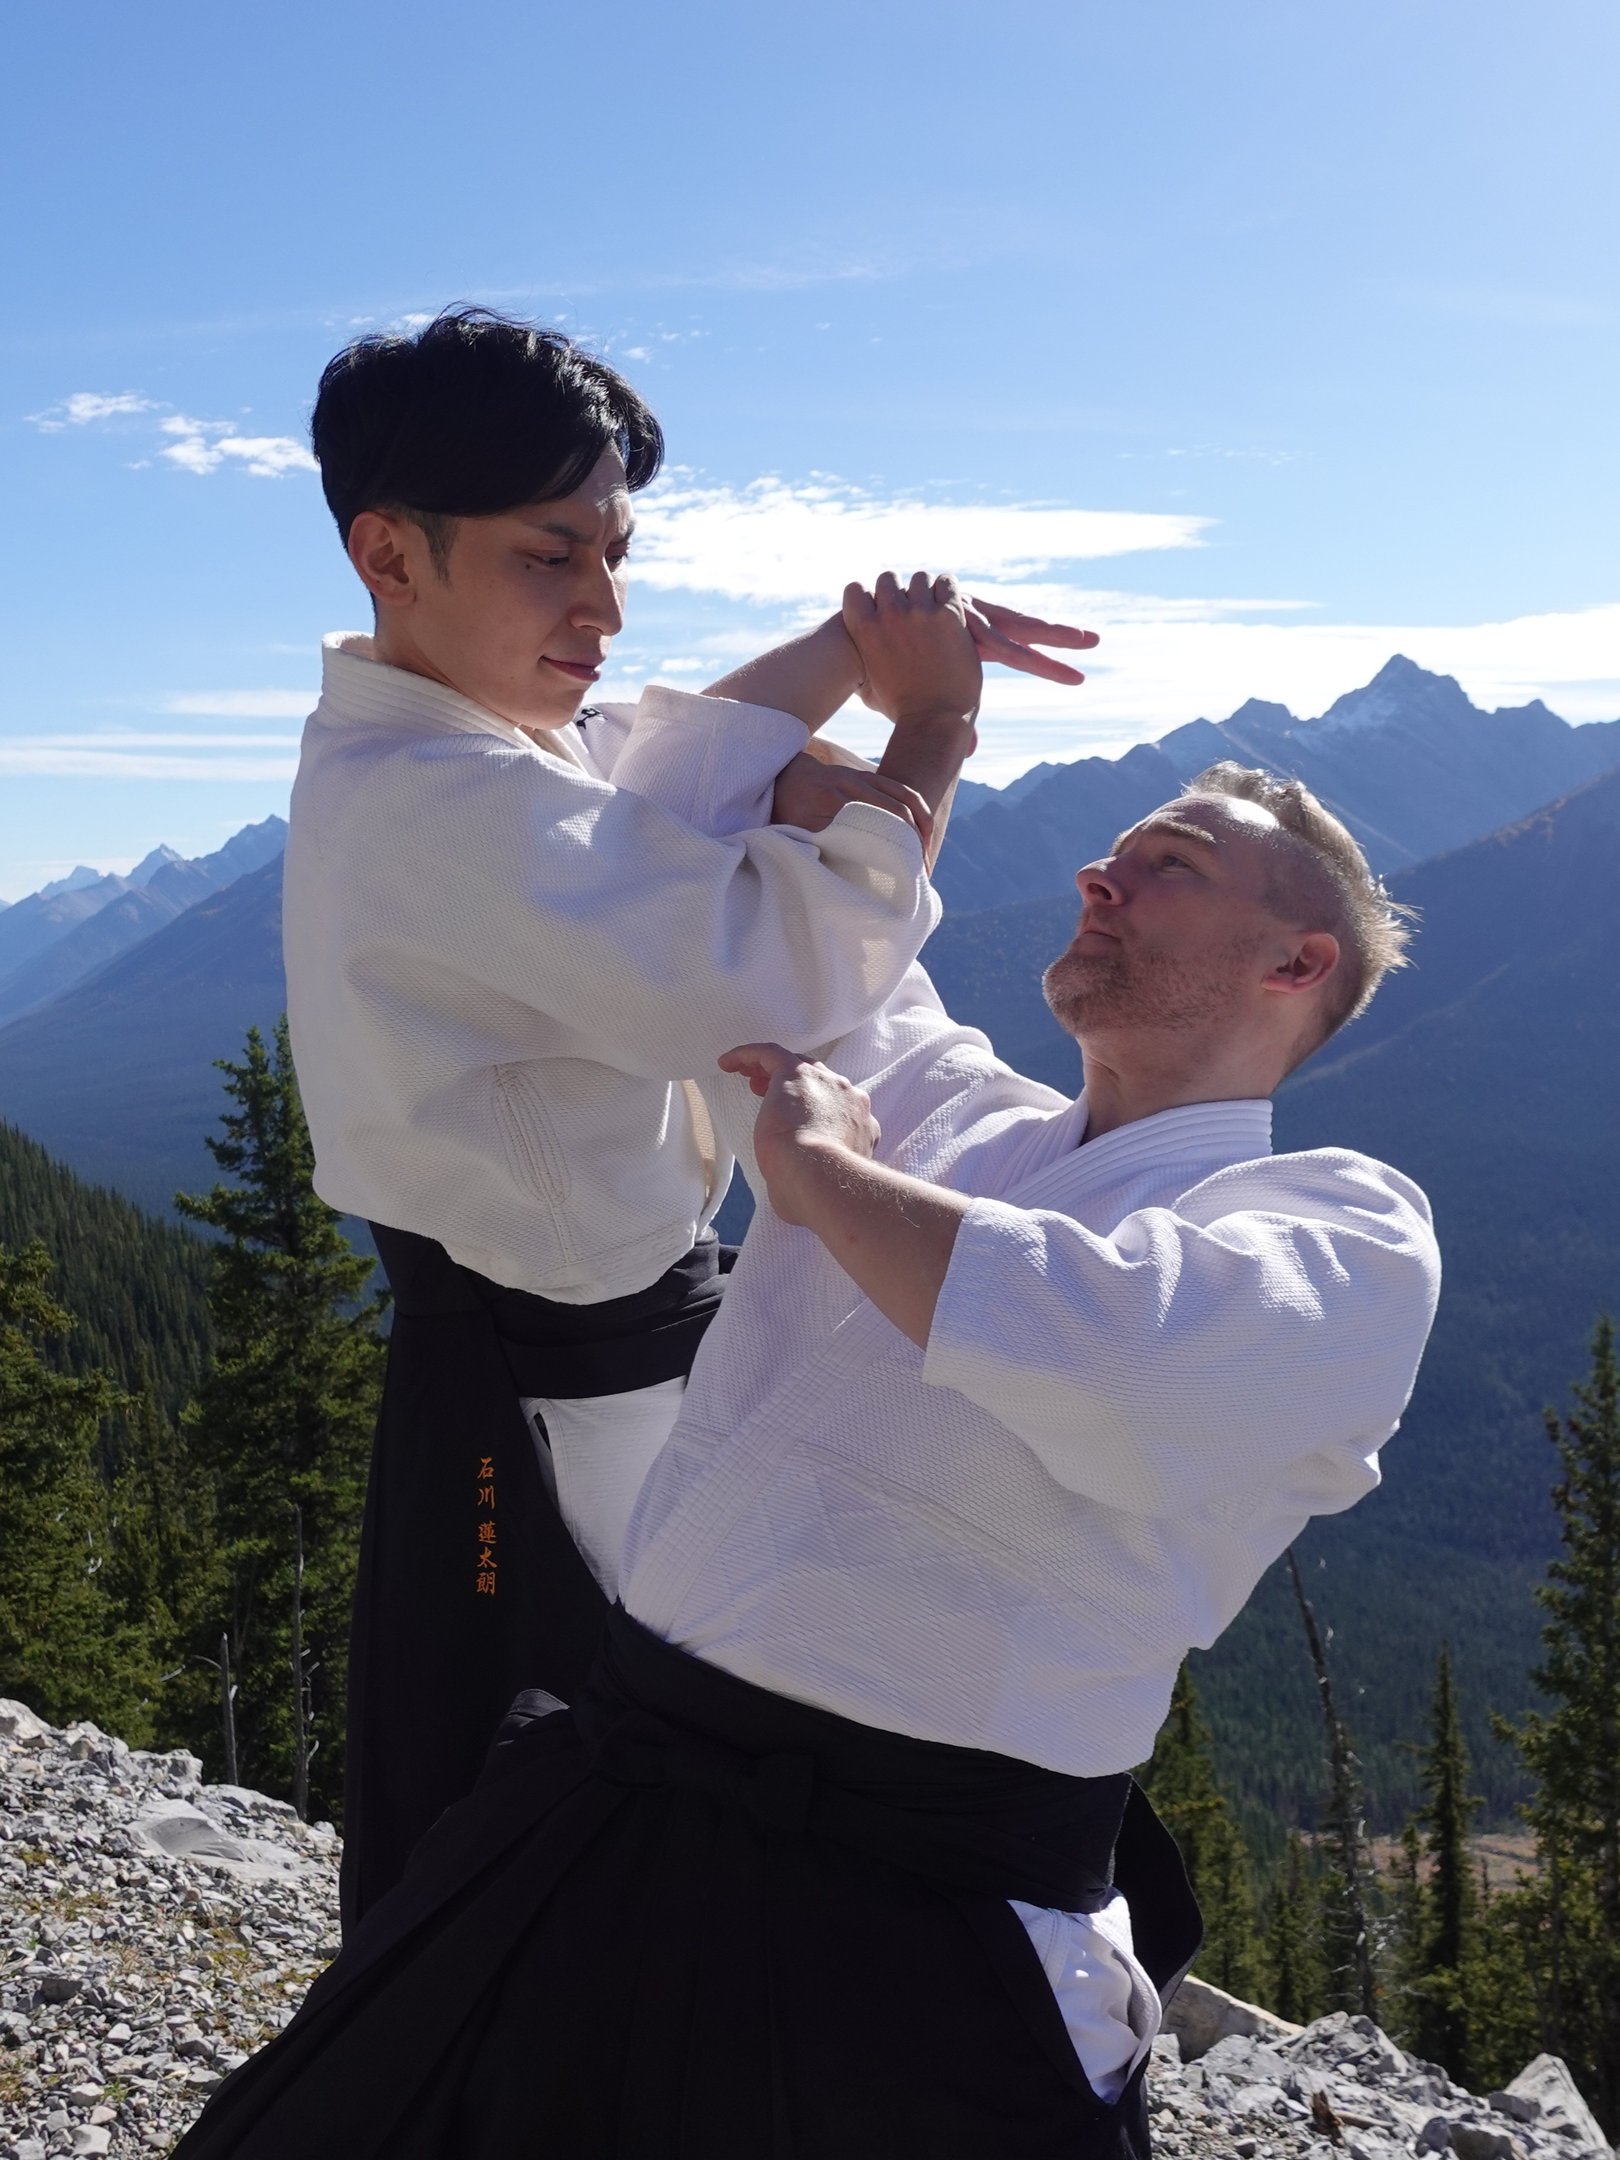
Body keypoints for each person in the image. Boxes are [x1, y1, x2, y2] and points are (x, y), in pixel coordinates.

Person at [173, 615, 1441, 2159]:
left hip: (926, 1916)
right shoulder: (936, 1098)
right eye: (1110, 855)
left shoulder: (1343, 1230)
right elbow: (676, 804)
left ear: (1298, 964)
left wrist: (829, 1179)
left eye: (1167, 864)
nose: (1098, 876)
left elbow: (1127, 1365)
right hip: (614, 1796)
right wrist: (884, 689)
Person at [288, 305, 1097, 1928]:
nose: (603, 604)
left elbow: (652, 771)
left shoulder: (447, 749)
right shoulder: (448, 803)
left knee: (598, 1775)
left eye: (616, 553)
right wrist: (928, 734)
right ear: (389, 553)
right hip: (570, 1396)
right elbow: (780, 968)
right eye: (550, 556)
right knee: (660, 1766)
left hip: (569, 1355)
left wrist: (850, 653)